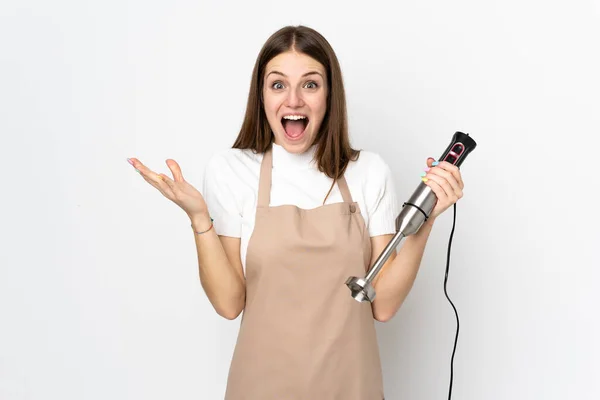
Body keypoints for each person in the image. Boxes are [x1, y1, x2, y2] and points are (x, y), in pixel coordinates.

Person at [127, 25, 465, 400]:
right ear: (261, 96)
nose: (293, 101)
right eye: (278, 85)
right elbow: (228, 303)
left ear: (329, 94)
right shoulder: (230, 170)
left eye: (309, 84)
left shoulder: (368, 171)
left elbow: (382, 306)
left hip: (351, 389)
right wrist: (198, 219)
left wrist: (425, 219)